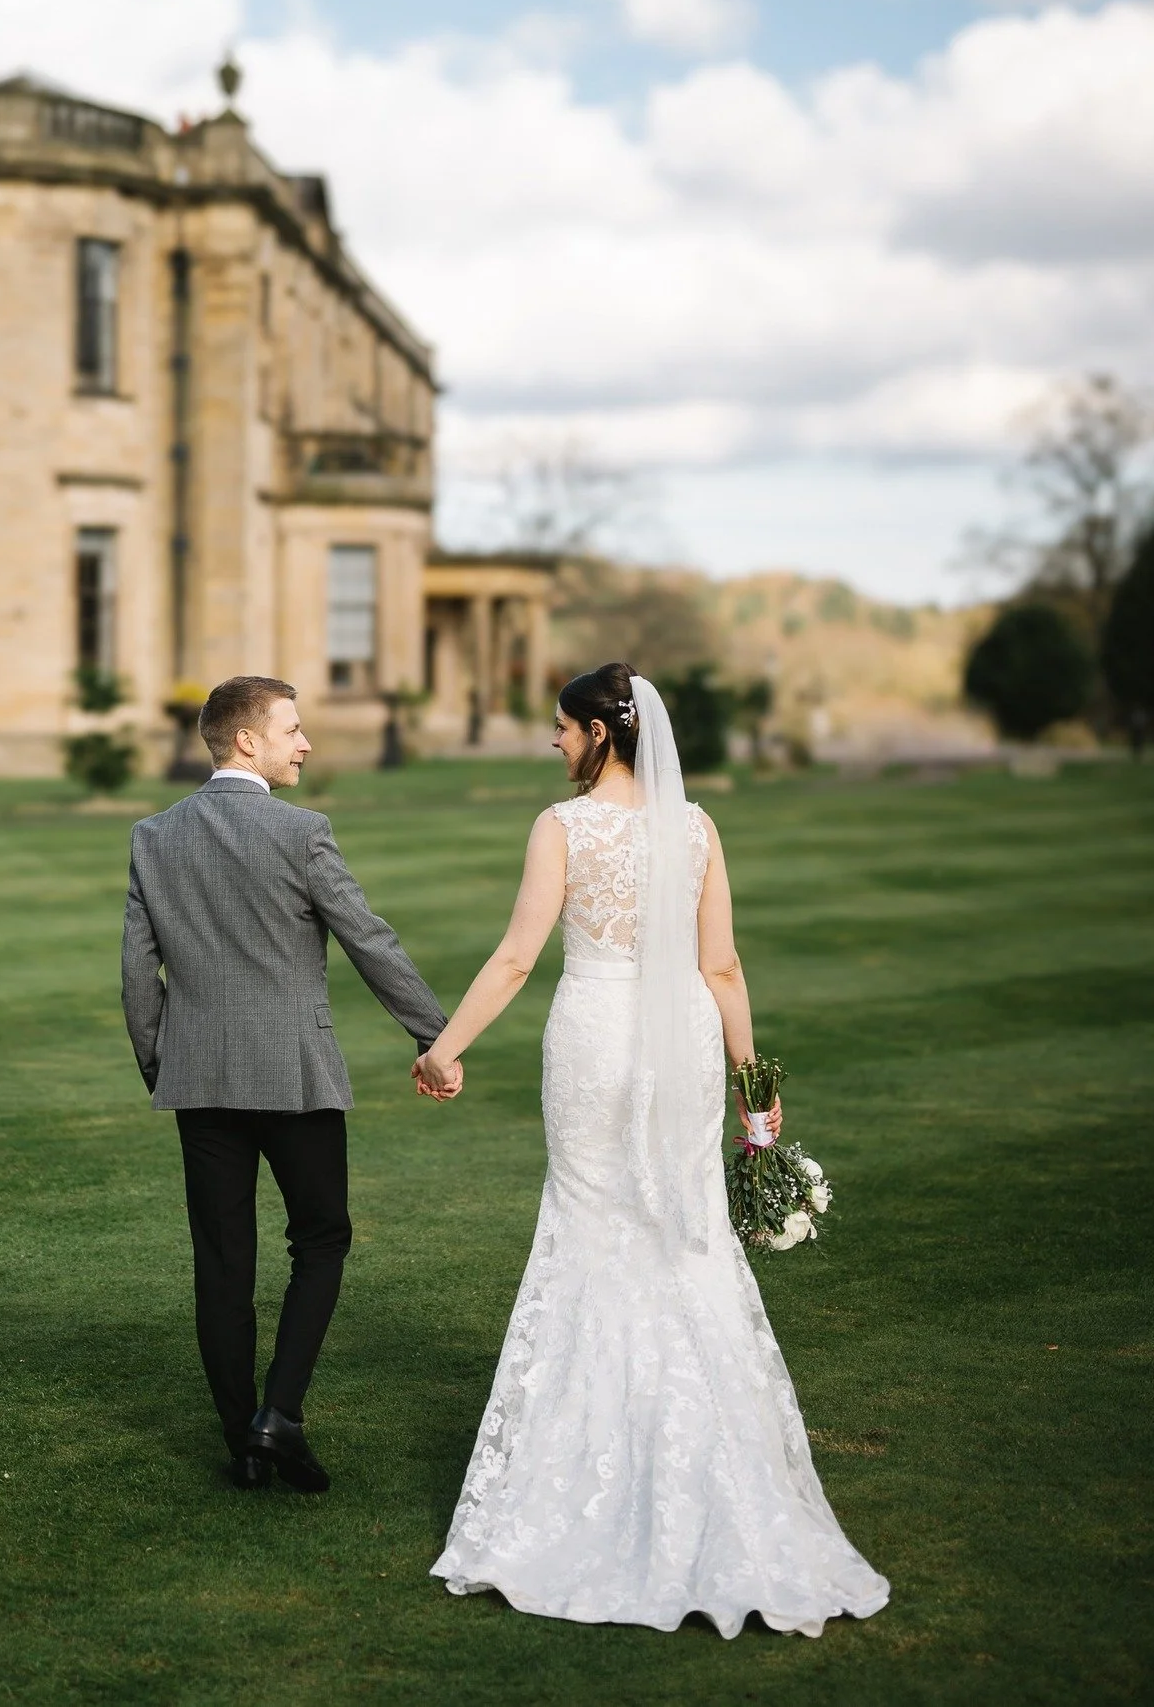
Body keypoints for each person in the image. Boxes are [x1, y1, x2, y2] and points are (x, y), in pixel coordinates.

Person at [414, 662, 890, 1637]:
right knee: (687, 1237)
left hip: (593, 1037)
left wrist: (444, 1048)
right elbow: (720, 964)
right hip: (678, 1042)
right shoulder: (698, 828)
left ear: (601, 731)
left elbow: (515, 957)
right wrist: (756, 1090)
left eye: (561, 727)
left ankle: (581, 1481)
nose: (552, 742)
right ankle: (715, 1474)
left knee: (589, 1234)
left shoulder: (562, 826)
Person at [121, 675, 453, 1494]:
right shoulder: (303, 832)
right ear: (246, 740)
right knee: (323, 1240)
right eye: (293, 729)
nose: (305, 743)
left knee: (223, 1261)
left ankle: (245, 1444)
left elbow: (137, 971)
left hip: (198, 1078)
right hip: (295, 1075)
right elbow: (370, 941)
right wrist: (438, 1036)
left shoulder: (154, 835)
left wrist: (164, 1062)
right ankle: (280, 1416)